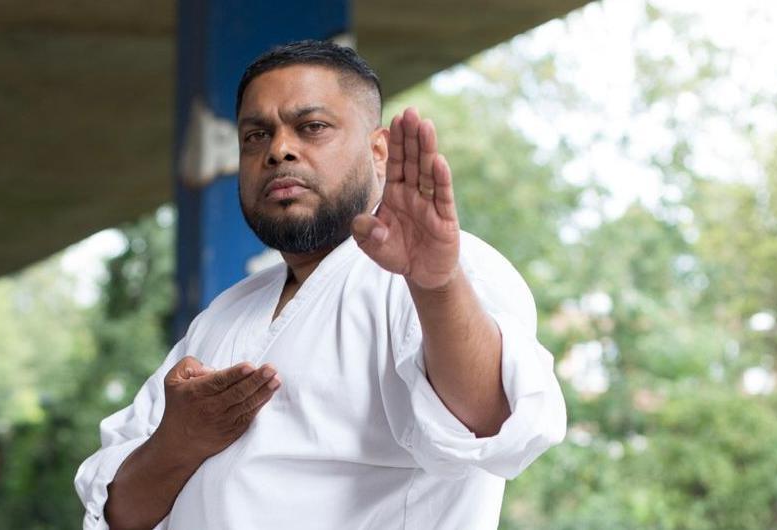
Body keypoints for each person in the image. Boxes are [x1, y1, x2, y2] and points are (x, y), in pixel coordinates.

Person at [75, 39, 566, 530]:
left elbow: (490, 427)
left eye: (312, 128)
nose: (278, 150)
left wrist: (436, 284)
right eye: (255, 135)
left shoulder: (446, 272)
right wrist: (178, 443)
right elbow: (117, 513)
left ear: (378, 152)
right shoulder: (224, 314)